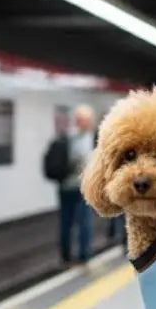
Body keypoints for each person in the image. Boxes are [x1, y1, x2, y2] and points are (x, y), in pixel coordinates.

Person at [58, 104, 97, 265]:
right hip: (74, 187)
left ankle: (77, 255)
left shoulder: (67, 137)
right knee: (79, 222)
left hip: (74, 187)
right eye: (85, 120)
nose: (87, 122)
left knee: (71, 222)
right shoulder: (77, 138)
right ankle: (76, 255)